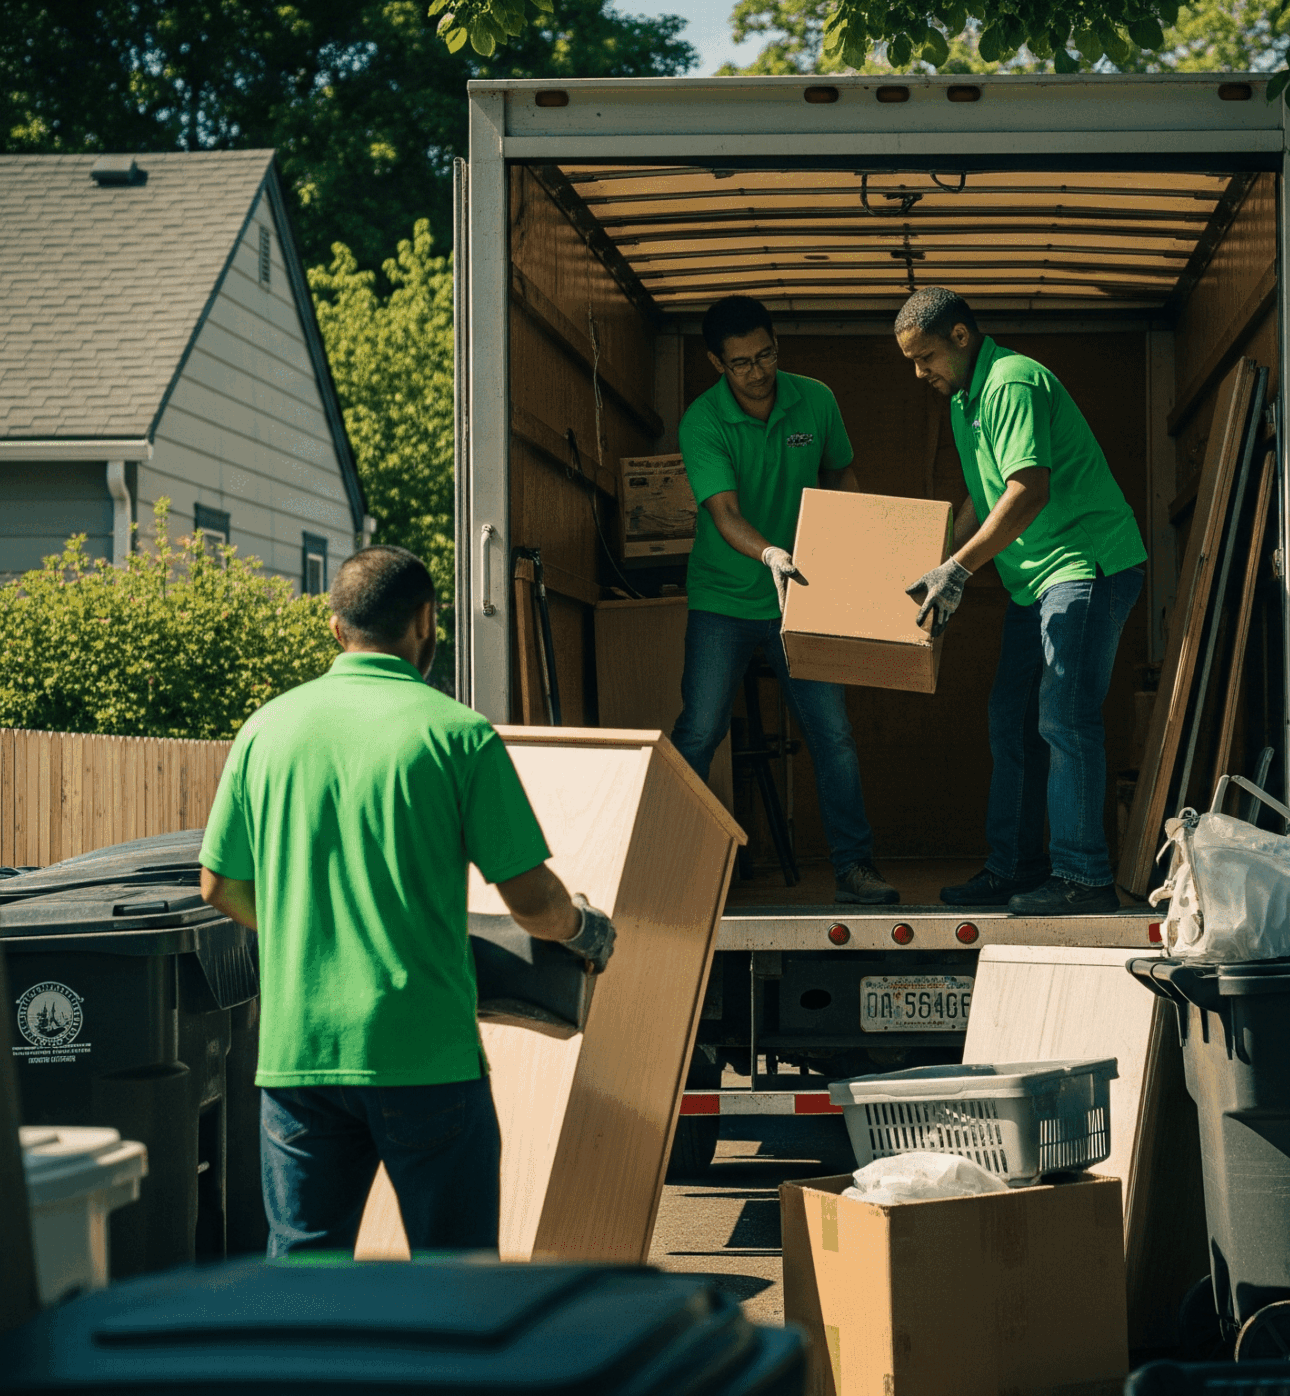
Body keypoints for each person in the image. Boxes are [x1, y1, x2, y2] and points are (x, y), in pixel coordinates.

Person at [198, 545, 617, 1258]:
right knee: (452, 1283)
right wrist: (584, 931)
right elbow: (530, 899)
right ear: (426, 621)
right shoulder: (455, 735)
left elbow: (218, 886)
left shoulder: (266, 731)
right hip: (424, 1057)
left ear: (337, 628)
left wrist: (311, 927)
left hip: (299, 1055)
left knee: (305, 1282)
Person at [894, 287, 1148, 915]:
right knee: (1011, 718)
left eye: (925, 357)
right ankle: (1014, 868)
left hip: (1084, 565)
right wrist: (924, 558)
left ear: (960, 336)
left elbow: (1028, 489)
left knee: (1063, 717)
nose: (920, 373)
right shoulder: (965, 401)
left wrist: (957, 567)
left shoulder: (1010, 382)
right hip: (1033, 582)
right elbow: (984, 496)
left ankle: (1085, 878)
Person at [670, 294, 898, 905]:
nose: (757, 370)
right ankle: (667, 865)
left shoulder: (814, 399)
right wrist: (770, 552)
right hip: (725, 597)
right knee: (698, 731)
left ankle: (854, 870)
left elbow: (841, 474)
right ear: (717, 363)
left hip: (805, 596)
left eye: (766, 353)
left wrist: (861, 543)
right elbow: (724, 514)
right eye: (741, 361)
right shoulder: (703, 421)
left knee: (833, 734)